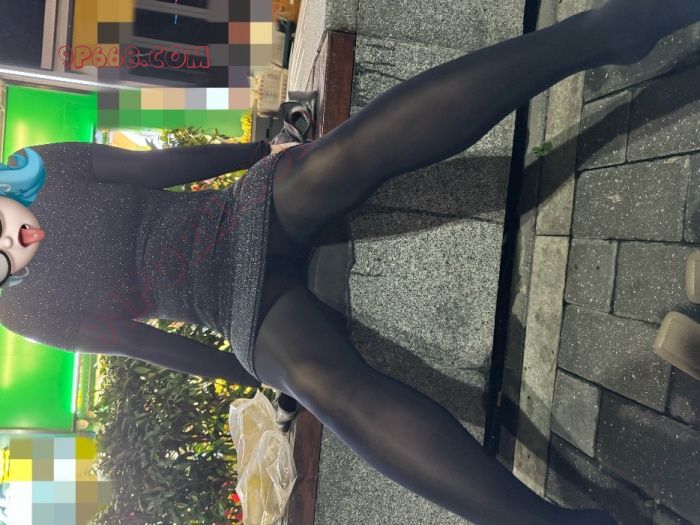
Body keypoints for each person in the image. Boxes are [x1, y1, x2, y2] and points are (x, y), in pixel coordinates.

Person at [1, 1, 698, 523]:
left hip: (243, 261)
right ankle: (596, 35)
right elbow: (149, 298)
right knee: (332, 359)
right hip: (242, 265)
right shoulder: (24, 245)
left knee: (349, 180)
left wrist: (261, 152)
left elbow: (154, 222)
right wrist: (260, 155)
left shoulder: (30, 233)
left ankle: (600, 34)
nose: (15, 243)